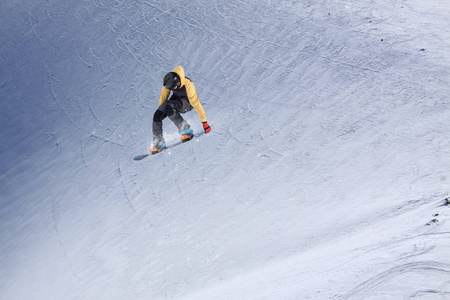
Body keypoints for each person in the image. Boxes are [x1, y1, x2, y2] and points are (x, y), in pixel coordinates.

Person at [150, 66, 211, 154]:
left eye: (173, 88)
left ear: (178, 83)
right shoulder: (168, 83)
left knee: (169, 107)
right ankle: (159, 143)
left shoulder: (188, 84)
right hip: (176, 100)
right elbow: (163, 97)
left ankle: (186, 131)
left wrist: (204, 122)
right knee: (157, 115)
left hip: (188, 103)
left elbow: (196, 103)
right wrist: (161, 112)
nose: (171, 90)